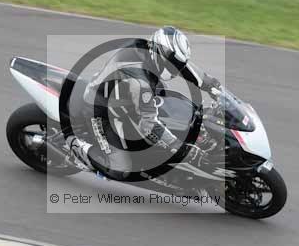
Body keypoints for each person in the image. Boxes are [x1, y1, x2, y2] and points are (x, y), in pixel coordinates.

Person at [66, 26, 221, 181]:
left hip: (124, 100)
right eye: (171, 63)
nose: (175, 68)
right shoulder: (141, 81)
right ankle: (74, 145)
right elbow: (148, 125)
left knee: (168, 100)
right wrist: (178, 146)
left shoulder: (148, 50)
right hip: (101, 109)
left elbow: (182, 66)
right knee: (120, 169)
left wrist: (212, 85)